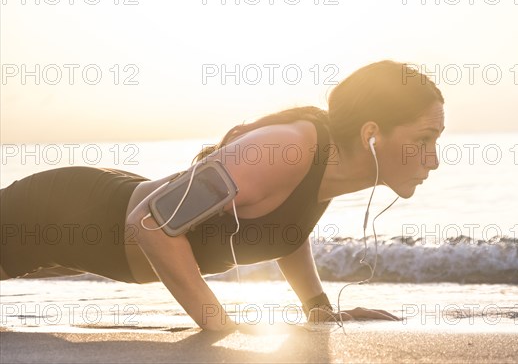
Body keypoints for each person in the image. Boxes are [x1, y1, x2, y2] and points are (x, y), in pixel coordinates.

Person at [0, 60, 445, 331]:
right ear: (372, 134)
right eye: (425, 139)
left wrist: (318, 309)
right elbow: (151, 223)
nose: (433, 159)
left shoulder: (329, 166)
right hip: (57, 211)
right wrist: (220, 325)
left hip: (78, 243)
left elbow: (289, 227)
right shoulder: (285, 148)